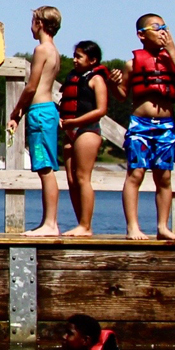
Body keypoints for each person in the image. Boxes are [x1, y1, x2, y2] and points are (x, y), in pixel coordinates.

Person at [110, 13, 175, 241]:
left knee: (164, 177)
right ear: (141, 35)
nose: (162, 32)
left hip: (165, 125)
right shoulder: (132, 64)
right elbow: (121, 96)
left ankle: (162, 226)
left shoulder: (171, 60)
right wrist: (114, 84)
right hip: (141, 124)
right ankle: (133, 227)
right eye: (156, 28)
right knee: (135, 174)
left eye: (164, 27)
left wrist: (173, 50)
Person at [6, 6, 65, 237]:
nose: (30, 26)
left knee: (45, 168)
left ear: (39, 23)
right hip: (47, 109)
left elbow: (31, 86)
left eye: (32, 21)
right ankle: (48, 222)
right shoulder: (55, 51)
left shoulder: (41, 50)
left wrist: (16, 113)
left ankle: (50, 223)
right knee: (45, 167)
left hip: (40, 111)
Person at [58, 41, 110, 237]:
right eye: (74, 55)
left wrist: (76, 122)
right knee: (71, 179)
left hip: (87, 130)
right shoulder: (73, 77)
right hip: (70, 130)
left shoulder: (97, 79)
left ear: (93, 59)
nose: (74, 60)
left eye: (79, 56)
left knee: (82, 178)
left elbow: (101, 109)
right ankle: (81, 222)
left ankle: (86, 225)